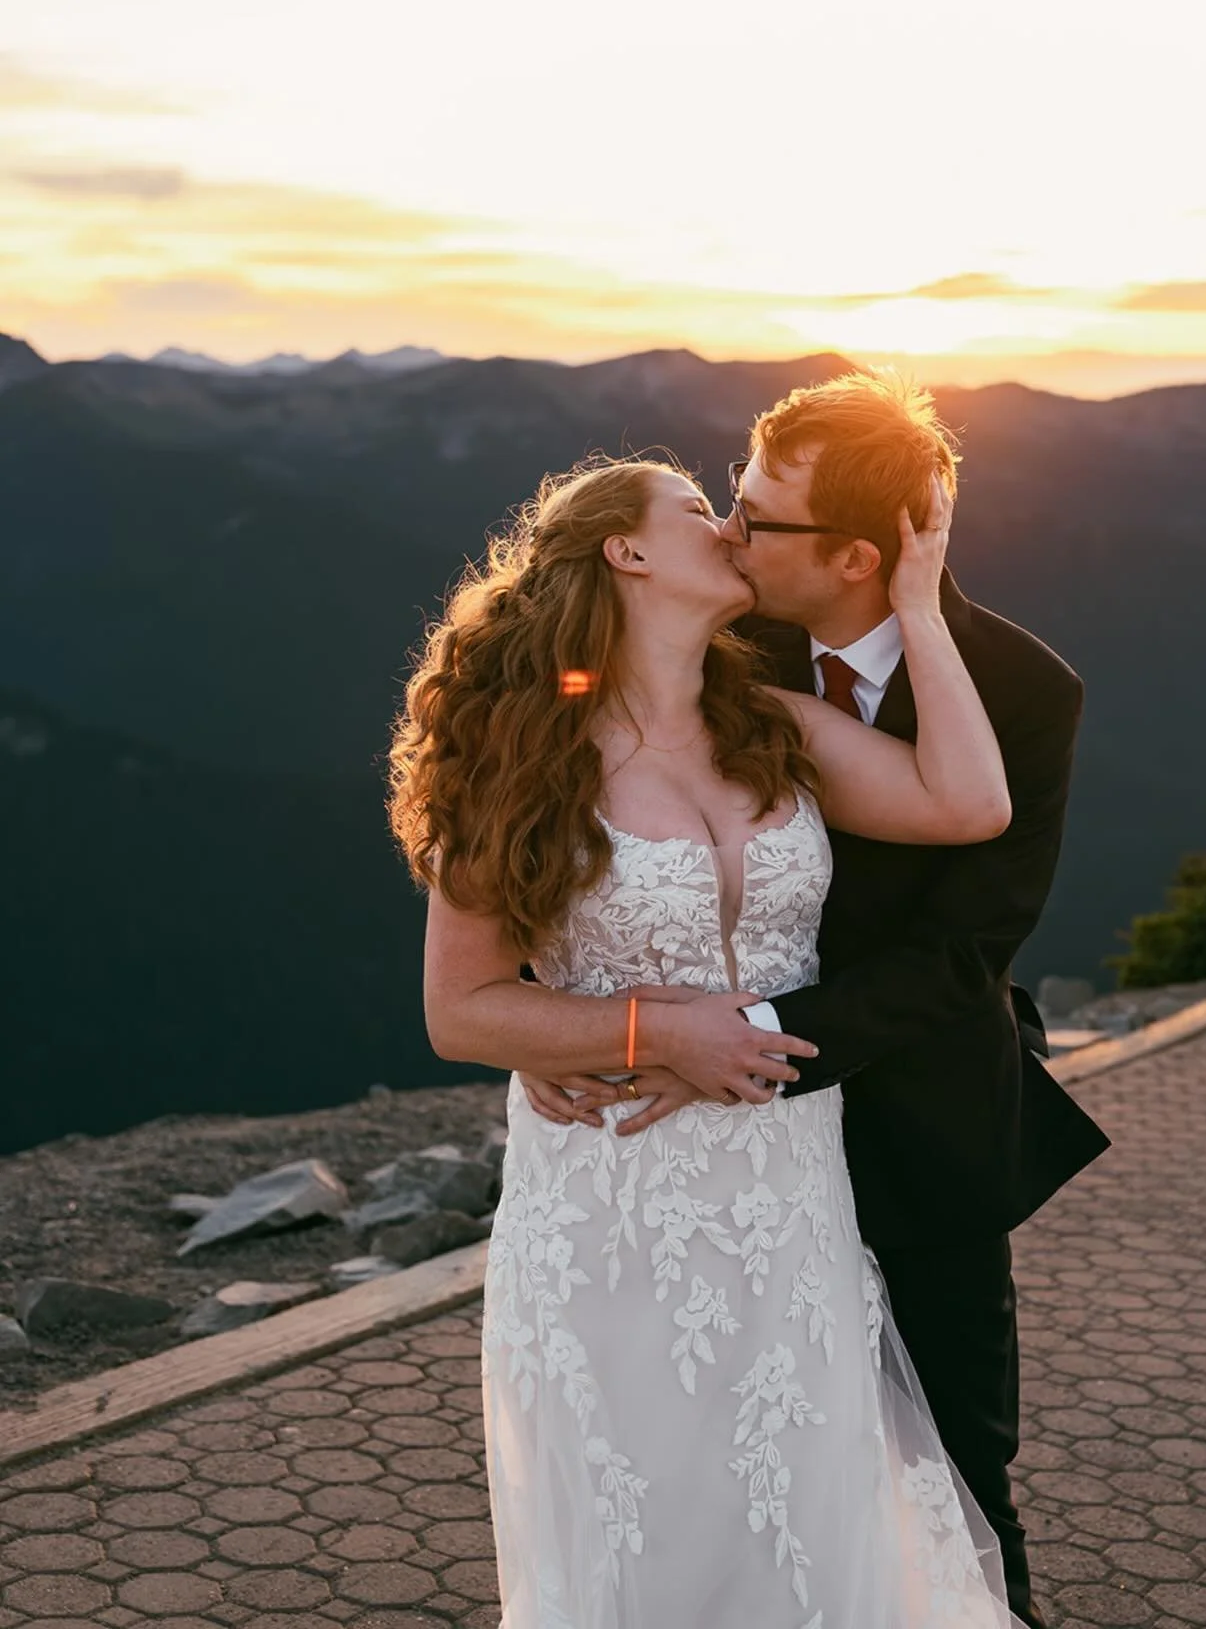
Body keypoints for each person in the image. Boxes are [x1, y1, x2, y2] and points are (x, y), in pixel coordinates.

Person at [389, 450, 1028, 1628]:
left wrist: (919, 605)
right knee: (655, 1523)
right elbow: (460, 1009)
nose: (732, 525)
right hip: (612, 1193)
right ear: (624, 551)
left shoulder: (771, 719)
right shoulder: (519, 756)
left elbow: (969, 805)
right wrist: (640, 1029)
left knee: (805, 1509)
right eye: (698, 510)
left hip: (790, 1192)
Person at [521, 375, 1111, 1629]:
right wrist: (562, 1014)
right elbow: (583, 782)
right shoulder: (722, 641)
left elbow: (968, 949)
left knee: (955, 1467)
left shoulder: (1024, 689)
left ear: (854, 554)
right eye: (725, 503)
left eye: (755, 515)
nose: (729, 534)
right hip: (708, 1156)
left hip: (917, 1121)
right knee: (709, 1463)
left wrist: (727, 1052)